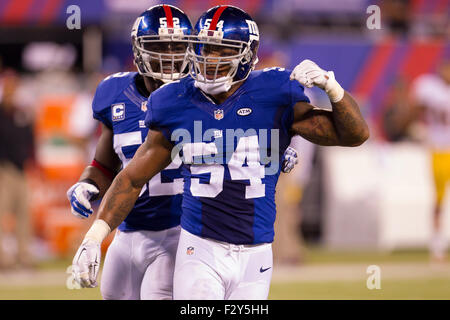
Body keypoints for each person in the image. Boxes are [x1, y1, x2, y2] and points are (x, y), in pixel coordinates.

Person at [71, 5, 369, 300]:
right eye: (205, 49)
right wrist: (95, 235)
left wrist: (333, 90)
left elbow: (355, 135)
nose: (210, 59)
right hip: (197, 244)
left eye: (222, 51)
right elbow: (131, 177)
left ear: (247, 55)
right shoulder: (174, 99)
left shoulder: (274, 92)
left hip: (257, 251)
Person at [67, 4, 193, 300]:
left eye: (178, 47)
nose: (170, 56)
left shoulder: (199, 94)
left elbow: (238, 126)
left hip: (179, 233)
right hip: (127, 231)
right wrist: (87, 183)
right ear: (138, 50)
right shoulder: (114, 93)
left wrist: (270, 148)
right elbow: (103, 164)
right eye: (160, 46)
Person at [410, 58, 450, 262]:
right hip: (439, 150)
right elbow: (417, 107)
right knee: (439, 200)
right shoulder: (430, 88)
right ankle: (437, 246)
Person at [0, 70, 35, 269]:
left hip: (21, 169)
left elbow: (30, 140)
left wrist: (31, 163)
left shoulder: (22, 113)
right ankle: (2, 259)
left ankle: (24, 256)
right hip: (4, 170)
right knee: (1, 214)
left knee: (24, 215)